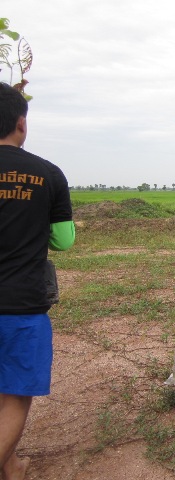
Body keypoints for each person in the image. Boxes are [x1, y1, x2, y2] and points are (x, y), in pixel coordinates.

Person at [0, 82, 75, 480]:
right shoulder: (47, 173)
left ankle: (11, 465)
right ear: (21, 123)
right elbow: (63, 240)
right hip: (21, 304)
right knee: (15, 395)